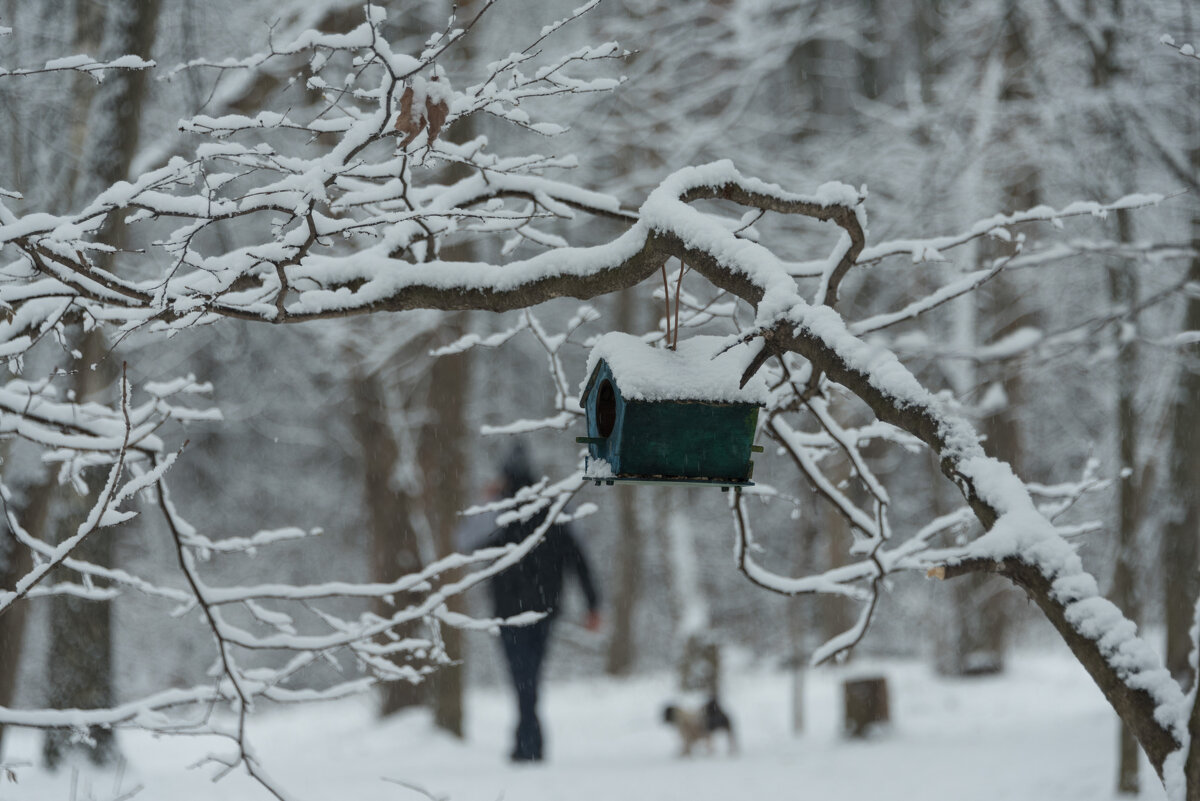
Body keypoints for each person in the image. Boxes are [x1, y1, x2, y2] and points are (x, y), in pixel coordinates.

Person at [483, 444, 601, 763]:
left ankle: (527, 743)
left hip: (508, 612)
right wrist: (593, 604)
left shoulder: (500, 512)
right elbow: (579, 559)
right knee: (530, 675)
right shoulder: (553, 509)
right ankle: (529, 741)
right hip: (545, 609)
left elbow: (466, 544)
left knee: (522, 677)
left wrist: (488, 503)